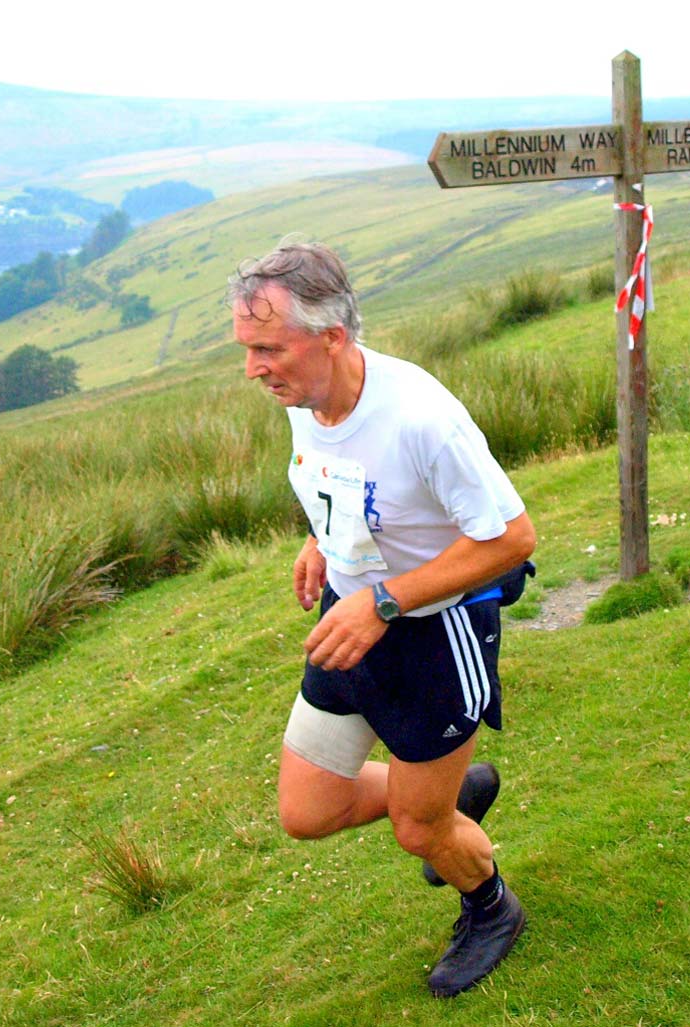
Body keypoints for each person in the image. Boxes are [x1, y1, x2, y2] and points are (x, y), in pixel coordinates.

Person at [228, 239, 536, 998]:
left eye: (268, 347)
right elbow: (348, 481)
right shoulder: (308, 395)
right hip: (351, 619)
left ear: (331, 336)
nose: (253, 368)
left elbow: (512, 539)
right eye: (247, 348)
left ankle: (491, 904)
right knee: (307, 810)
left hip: (436, 632)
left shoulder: (422, 417)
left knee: (416, 829)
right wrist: (321, 540)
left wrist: (388, 598)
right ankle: (444, 796)